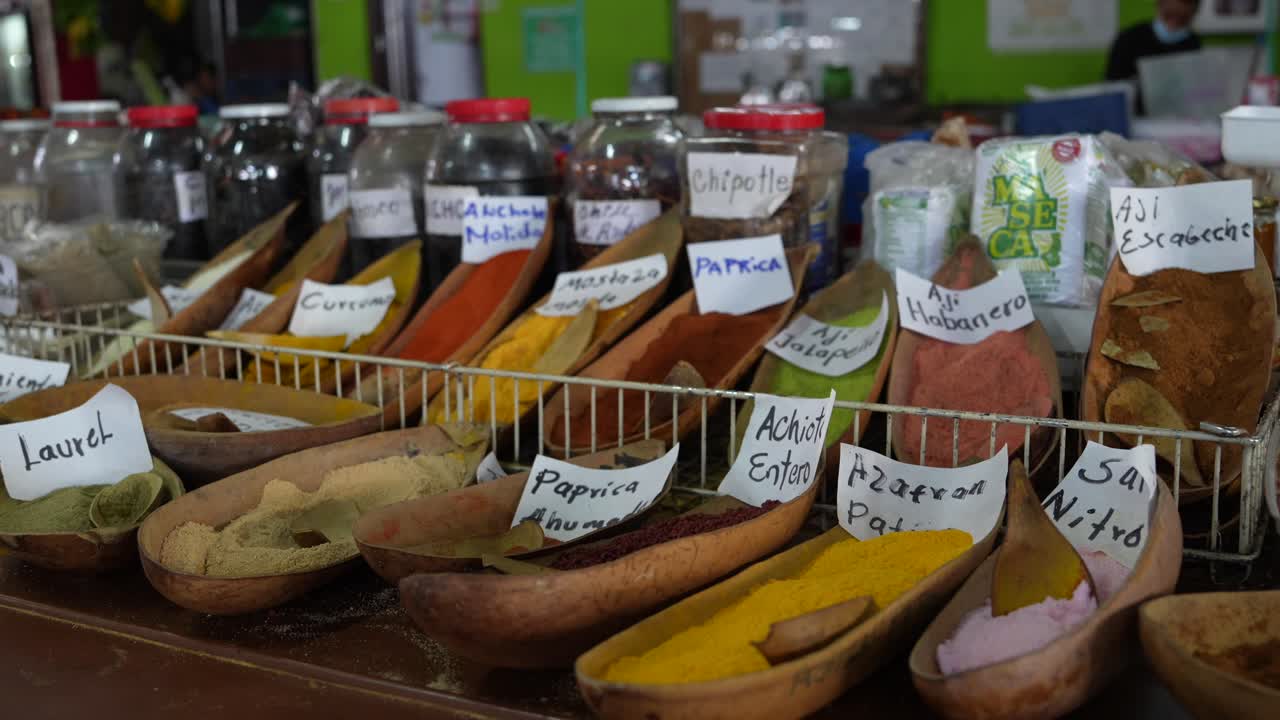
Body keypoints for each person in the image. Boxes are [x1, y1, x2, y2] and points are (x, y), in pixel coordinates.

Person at [1106, 0, 1202, 113]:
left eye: (1182, 20)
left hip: (1178, 118)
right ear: (1159, 5)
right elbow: (1112, 86)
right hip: (1136, 117)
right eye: (1169, 15)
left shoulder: (1192, 42)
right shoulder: (1129, 38)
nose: (1174, 25)